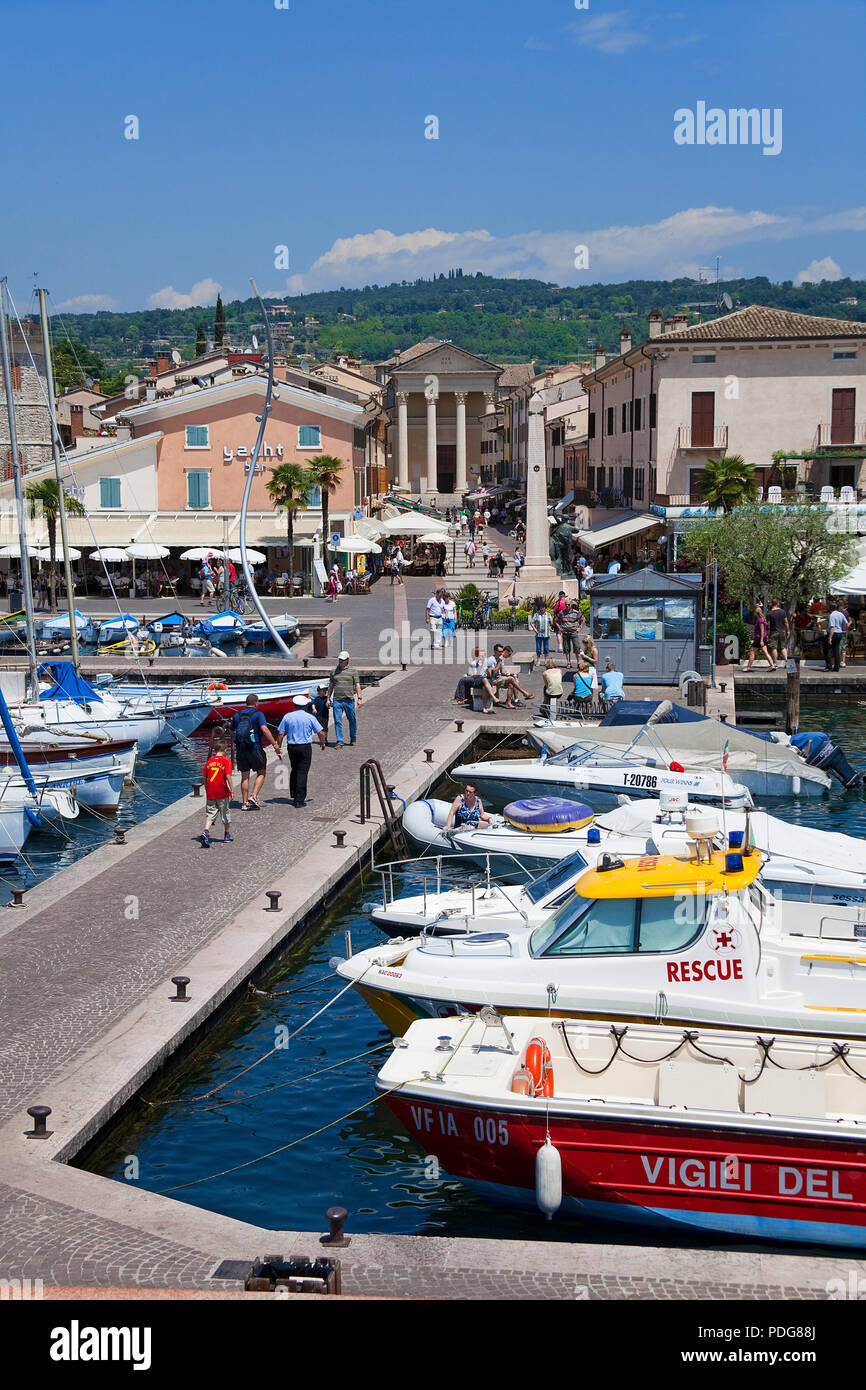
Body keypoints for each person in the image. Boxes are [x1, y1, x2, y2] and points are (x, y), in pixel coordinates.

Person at [230, 693, 282, 809]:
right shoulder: (258, 714)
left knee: (245, 775)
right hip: (255, 748)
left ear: (246, 703)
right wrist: (274, 744)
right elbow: (264, 729)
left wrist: (234, 743)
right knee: (261, 772)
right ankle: (253, 796)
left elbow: (232, 730)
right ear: (256, 703)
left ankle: (244, 803)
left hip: (241, 749)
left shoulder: (237, 714)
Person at [276, 693, 326, 807]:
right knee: (303, 771)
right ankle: (299, 799)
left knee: (295, 769)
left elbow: (280, 734)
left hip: (292, 747)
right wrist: (322, 743)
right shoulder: (310, 717)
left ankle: (293, 792)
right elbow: (321, 732)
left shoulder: (288, 716)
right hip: (305, 747)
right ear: (305, 706)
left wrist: (278, 747)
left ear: (294, 705)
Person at [201, 731, 233, 847]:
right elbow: (228, 776)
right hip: (222, 792)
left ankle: (206, 831)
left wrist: (206, 788)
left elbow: (204, 777)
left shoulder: (209, 761)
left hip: (211, 791)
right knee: (225, 813)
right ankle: (226, 835)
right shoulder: (226, 761)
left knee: (210, 813)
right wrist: (232, 790)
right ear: (225, 750)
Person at [328, 650, 362, 747]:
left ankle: (353, 737)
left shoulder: (353, 671)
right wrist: (328, 698)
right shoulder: (334, 671)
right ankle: (340, 741)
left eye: (343, 660)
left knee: (352, 720)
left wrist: (359, 698)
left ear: (347, 660)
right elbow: (331, 686)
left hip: (349, 700)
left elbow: (357, 685)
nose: (341, 662)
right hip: (337, 700)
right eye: (340, 660)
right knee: (337, 721)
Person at [467, 647, 500, 713]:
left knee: (485, 687)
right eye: (480, 656)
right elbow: (473, 675)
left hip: (486, 681)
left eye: (483, 655)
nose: (482, 657)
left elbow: (490, 676)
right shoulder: (474, 663)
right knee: (484, 679)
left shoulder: (487, 662)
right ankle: (494, 697)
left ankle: (484, 707)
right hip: (477, 681)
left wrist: (488, 671)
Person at [745, 603, 775, 670]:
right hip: (763, 637)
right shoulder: (762, 619)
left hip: (759, 638)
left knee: (752, 651)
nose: (753, 613)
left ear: (756, 613)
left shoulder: (760, 620)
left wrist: (761, 640)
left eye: (754, 612)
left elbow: (762, 631)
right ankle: (772, 666)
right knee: (765, 652)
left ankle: (748, 667)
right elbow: (764, 630)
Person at [825, 603, 850, 672]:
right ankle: (837, 667)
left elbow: (832, 627)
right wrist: (841, 628)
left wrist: (830, 637)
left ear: (830, 609)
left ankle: (829, 666)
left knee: (828, 650)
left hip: (834, 633)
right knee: (836, 650)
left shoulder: (832, 615)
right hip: (840, 633)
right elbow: (846, 623)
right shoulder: (840, 614)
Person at [767, 598, 789, 663]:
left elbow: (768, 625)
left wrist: (768, 633)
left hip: (773, 632)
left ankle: (775, 663)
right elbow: (786, 622)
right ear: (777, 603)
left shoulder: (769, 613)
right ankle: (787, 662)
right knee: (783, 647)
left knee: (774, 648)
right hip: (782, 631)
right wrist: (788, 630)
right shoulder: (783, 611)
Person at [312, 681, 331, 746]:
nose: (325, 691)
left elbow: (329, 704)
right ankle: (321, 739)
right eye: (323, 690)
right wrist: (314, 709)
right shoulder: (317, 698)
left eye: (325, 690)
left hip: (325, 715)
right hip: (318, 716)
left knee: (325, 728)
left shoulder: (326, 698)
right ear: (319, 691)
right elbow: (313, 704)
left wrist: (329, 704)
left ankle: (325, 739)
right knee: (319, 728)